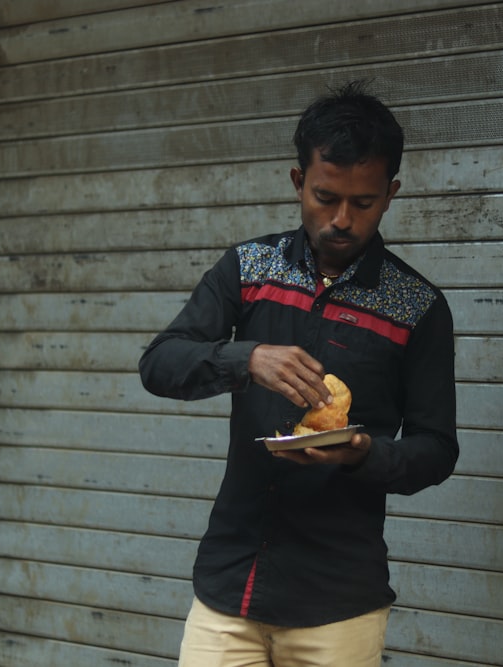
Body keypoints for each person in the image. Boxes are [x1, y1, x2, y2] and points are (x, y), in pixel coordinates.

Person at [138, 80, 458, 667]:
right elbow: (159, 364)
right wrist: (246, 358)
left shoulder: (418, 307)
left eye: (362, 203)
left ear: (390, 194)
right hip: (229, 586)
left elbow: (437, 450)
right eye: (324, 196)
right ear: (297, 182)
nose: (341, 219)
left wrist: (362, 453)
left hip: (336, 602)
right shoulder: (247, 269)